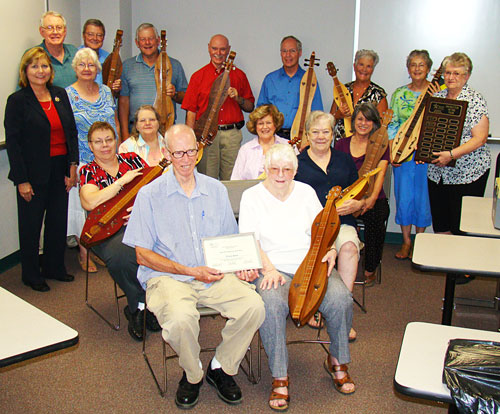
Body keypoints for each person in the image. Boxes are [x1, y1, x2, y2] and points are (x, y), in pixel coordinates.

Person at [122, 124, 265, 409]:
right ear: (166, 153)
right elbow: (142, 255)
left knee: (254, 306)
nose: (186, 160)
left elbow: (228, 237)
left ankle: (220, 367)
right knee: (179, 319)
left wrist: (243, 266)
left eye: (191, 152)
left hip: (213, 273)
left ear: (198, 151)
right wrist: (190, 272)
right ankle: (193, 374)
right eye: (178, 153)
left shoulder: (215, 189)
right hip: (168, 278)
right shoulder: (149, 195)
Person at [239, 144, 355, 411]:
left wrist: (331, 250)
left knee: (340, 298)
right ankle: (280, 375)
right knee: (272, 304)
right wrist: (268, 269)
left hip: (311, 266)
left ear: (295, 170)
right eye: (275, 169)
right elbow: (250, 239)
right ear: (265, 169)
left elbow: (324, 227)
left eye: (287, 169)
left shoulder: (305, 192)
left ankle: (337, 360)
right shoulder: (251, 196)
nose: (281, 175)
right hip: (272, 268)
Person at [5, 47, 78, 292]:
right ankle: (30, 274)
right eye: (34, 66)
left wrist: (73, 166)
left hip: (60, 169)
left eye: (45, 66)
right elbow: (13, 144)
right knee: (31, 225)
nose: (40, 71)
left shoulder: (59, 94)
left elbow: (71, 133)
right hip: (32, 172)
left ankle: (54, 267)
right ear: (25, 71)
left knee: (57, 222)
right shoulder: (17, 101)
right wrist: (21, 180)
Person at [79, 121, 160, 341]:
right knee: (123, 257)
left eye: (109, 140)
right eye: (98, 142)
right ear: (90, 146)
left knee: (164, 246)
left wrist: (141, 207)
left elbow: (156, 187)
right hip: (106, 231)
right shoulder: (88, 171)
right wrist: (121, 183)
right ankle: (139, 306)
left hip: (140, 222)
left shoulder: (132, 160)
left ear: (116, 141)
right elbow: (90, 201)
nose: (105, 145)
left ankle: (148, 303)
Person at [295, 111, 362, 340]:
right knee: (316, 251)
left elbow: (358, 193)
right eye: (315, 132)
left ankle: (341, 314)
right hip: (309, 225)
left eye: (326, 131)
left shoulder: (344, 160)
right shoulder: (297, 164)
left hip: (342, 221)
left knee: (349, 247)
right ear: (307, 134)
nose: (321, 136)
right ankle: (314, 306)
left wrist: (356, 204)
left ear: (333, 134)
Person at [66, 47, 118, 273]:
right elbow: (66, 131)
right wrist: (72, 165)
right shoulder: (67, 94)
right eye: (82, 65)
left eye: (91, 65)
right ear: (75, 69)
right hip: (84, 160)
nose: (87, 69)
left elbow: (114, 121)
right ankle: (84, 253)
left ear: (98, 68)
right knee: (83, 209)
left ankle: (100, 249)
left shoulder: (106, 91)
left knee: (107, 207)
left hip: (109, 159)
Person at [427, 53, 490, 237]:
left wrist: (451, 155)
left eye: (456, 73)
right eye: (447, 73)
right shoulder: (437, 97)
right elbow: (429, 130)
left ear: (466, 76)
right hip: (438, 172)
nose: (451, 77)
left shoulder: (475, 100)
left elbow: (480, 138)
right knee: (440, 223)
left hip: (467, 174)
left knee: (461, 227)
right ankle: (442, 264)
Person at [183, 34, 255, 180]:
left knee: (232, 180)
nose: (218, 53)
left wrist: (238, 98)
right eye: (215, 48)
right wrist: (191, 140)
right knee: (207, 179)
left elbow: (250, 106)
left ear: (228, 50)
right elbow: (191, 111)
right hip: (207, 135)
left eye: (222, 49)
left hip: (232, 135)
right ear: (209, 48)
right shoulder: (198, 76)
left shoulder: (239, 75)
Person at [388, 50, 438, 260]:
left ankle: (421, 242)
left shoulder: (437, 92)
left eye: (421, 65)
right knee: (404, 197)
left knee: (423, 197)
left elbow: (438, 122)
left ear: (428, 68)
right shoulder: (399, 94)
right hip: (404, 153)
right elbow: (393, 124)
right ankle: (406, 241)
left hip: (428, 154)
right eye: (413, 65)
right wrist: (393, 152)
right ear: (408, 69)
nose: (417, 69)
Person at [336, 103, 390, 285]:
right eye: (359, 118)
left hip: (372, 197)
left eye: (368, 119)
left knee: (376, 219)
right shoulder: (341, 143)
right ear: (353, 121)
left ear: (374, 123)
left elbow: (381, 172)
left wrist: (371, 199)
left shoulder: (381, 144)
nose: (363, 123)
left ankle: (370, 267)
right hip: (346, 197)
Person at [119, 23, 187, 140]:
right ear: (137, 43)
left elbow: (185, 98)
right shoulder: (127, 66)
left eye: (151, 38)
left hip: (166, 131)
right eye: (143, 39)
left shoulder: (174, 65)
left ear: (158, 40)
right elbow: (124, 101)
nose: (147, 43)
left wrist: (174, 94)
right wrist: (125, 134)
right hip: (136, 132)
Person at [257, 35, 323, 139]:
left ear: (300, 53)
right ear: (280, 54)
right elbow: (261, 112)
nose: (288, 55)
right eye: (284, 51)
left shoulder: (310, 80)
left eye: (292, 51)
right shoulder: (270, 79)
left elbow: (317, 114)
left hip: (301, 137)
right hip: (274, 136)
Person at [330, 49, 388, 141]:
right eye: (361, 65)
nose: (364, 69)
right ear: (354, 66)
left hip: (366, 147)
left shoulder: (378, 94)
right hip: (341, 145)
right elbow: (329, 123)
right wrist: (338, 115)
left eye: (368, 66)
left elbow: (381, 128)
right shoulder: (342, 90)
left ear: (372, 69)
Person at [230, 104, 289, 180]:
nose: (265, 127)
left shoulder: (287, 146)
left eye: (268, 123)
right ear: (255, 126)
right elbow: (235, 179)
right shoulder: (245, 149)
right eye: (260, 123)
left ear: (275, 124)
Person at [35, 11, 78, 88]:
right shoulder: (34, 55)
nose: (55, 32)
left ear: (65, 31)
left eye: (59, 28)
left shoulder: (74, 52)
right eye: (49, 28)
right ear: (42, 31)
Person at [80, 18, 120, 93]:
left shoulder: (109, 58)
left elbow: (114, 90)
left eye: (99, 35)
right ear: (83, 36)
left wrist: (117, 88)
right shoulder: (75, 57)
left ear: (103, 38)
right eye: (90, 34)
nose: (95, 38)